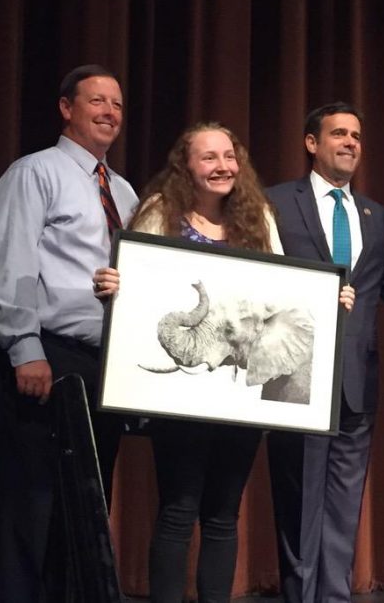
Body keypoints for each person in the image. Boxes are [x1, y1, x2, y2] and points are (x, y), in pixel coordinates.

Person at [95, 121, 286, 603]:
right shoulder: (162, 211)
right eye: (208, 158)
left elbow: (283, 288)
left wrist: (329, 303)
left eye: (228, 156)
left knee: (223, 513)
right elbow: (136, 280)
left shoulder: (257, 215)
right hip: (177, 389)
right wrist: (116, 286)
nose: (222, 166)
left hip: (237, 390)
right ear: (186, 166)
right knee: (178, 509)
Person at [0, 64, 138, 602]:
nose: (109, 112)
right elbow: (11, 263)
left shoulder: (123, 191)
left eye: (117, 104)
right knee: (32, 511)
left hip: (101, 368)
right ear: (66, 108)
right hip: (43, 358)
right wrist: (25, 349)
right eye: (96, 100)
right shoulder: (35, 172)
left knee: (85, 513)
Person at [265, 102, 384, 603]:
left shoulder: (375, 216)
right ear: (311, 143)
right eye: (339, 133)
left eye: (357, 136)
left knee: (343, 504)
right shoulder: (276, 202)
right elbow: (261, 281)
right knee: (299, 502)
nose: (350, 143)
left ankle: (334, 597)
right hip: (294, 377)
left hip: (357, 380)